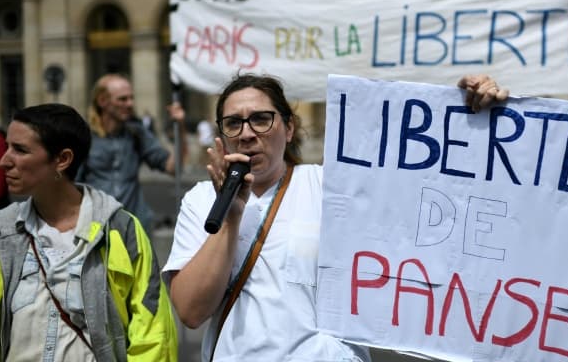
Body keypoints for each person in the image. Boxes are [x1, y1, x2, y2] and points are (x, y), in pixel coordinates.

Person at [162, 73, 508, 361]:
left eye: (261, 119)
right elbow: (191, 312)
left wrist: (475, 120)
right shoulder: (202, 201)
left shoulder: (331, 186)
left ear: (289, 128)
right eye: (233, 123)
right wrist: (231, 217)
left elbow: (434, 196)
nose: (248, 133)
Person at [0, 103, 177, 361]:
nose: (3, 161)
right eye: (8, 146)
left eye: (20, 150)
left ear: (62, 160)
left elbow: (153, 335)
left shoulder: (121, 231)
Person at [77, 74, 188, 233]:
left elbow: (172, 168)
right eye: (122, 99)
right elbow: (72, 186)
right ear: (102, 101)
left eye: (131, 98)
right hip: (96, 228)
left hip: (134, 227)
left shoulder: (137, 134)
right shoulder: (84, 137)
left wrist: (181, 128)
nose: (130, 104)